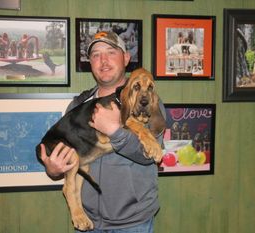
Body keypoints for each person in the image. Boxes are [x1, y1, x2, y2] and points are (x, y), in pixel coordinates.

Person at [39, 31, 164, 233]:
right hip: (89, 223)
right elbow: (69, 161)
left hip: (133, 223)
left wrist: (115, 131)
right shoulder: (78, 105)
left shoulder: (147, 101)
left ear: (126, 58)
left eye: (110, 52)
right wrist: (54, 169)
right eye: (96, 54)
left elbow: (149, 156)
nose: (103, 60)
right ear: (90, 63)